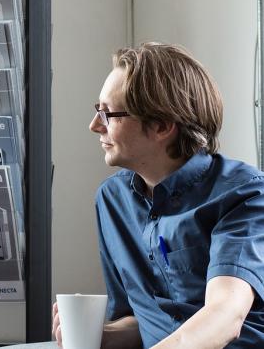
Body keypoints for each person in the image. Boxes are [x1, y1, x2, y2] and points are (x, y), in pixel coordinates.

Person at [52, 43, 264, 348]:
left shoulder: (246, 194)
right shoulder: (112, 201)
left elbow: (225, 316)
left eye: (108, 114)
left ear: (162, 126)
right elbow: (142, 320)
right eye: (97, 111)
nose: (95, 126)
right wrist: (101, 336)